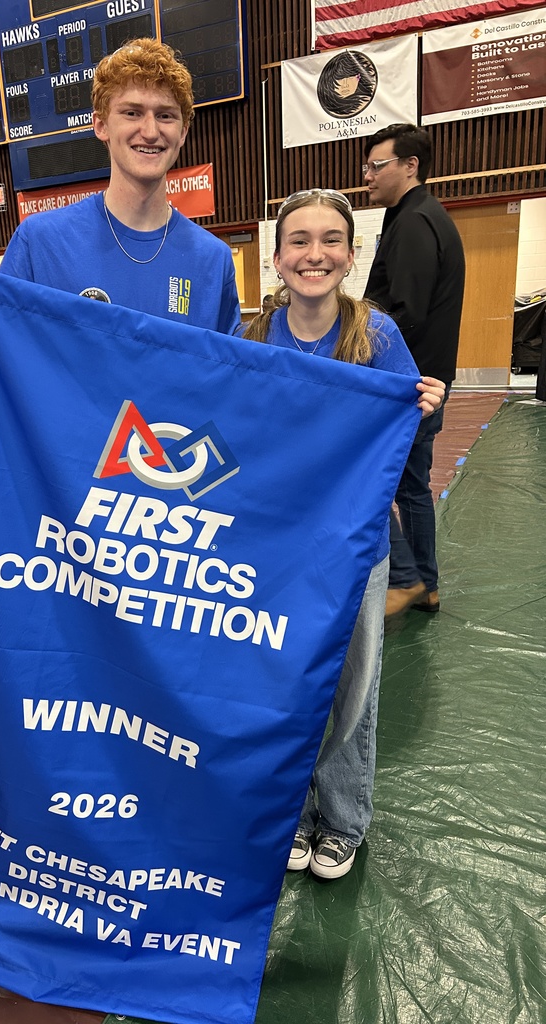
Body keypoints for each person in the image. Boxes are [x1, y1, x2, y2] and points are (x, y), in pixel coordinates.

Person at [242, 188, 445, 879]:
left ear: (351, 256)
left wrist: (421, 402)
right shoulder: (254, 336)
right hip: (275, 551)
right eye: (299, 240)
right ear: (276, 258)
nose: (315, 254)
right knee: (279, 683)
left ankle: (345, 819)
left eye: (331, 240)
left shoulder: (376, 336)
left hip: (356, 548)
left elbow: (399, 429)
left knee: (354, 685)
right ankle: (290, 815)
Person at [0, 38, 240, 334]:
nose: (150, 131)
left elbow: (232, 374)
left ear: (183, 132)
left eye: (165, 116)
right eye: (132, 113)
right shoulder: (40, 243)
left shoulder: (213, 260)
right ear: (101, 125)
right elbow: (5, 346)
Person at [363, 124, 466, 617]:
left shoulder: (414, 223)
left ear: (410, 166)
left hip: (408, 385)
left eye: (377, 165)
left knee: (371, 481)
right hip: (425, 382)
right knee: (411, 487)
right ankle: (426, 584)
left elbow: (404, 312)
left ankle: (405, 578)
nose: (368, 176)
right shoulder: (417, 217)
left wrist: (355, 351)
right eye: (366, 166)